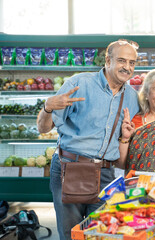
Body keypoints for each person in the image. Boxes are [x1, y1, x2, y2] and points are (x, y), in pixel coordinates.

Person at [36, 39, 140, 240]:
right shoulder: (79, 84)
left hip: (107, 173)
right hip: (71, 167)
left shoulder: (133, 97)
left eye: (132, 63)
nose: (127, 67)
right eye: (121, 61)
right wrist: (48, 107)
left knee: (102, 234)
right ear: (108, 60)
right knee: (71, 233)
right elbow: (44, 127)